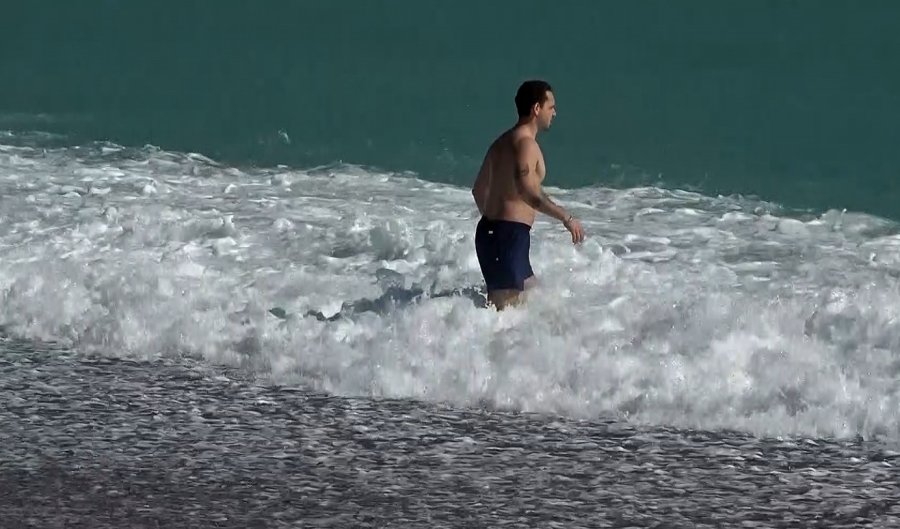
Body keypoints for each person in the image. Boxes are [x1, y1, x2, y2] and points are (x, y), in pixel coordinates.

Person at [471, 80, 585, 310]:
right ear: (536, 109)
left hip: (496, 235)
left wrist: (494, 219)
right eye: (551, 107)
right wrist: (566, 217)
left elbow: (478, 190)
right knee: (509, 319)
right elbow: (526, 191)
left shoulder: (501, 143)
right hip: (508, 237)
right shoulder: (525, 144)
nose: (555, 112)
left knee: (535, 308)